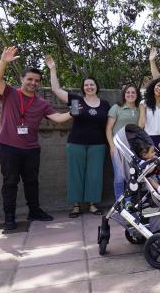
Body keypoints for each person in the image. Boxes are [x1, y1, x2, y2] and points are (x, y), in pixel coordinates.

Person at [0, 47, 74, 230]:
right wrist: (4, 61)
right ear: (22, 79)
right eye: (29, 79)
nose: (33, 83)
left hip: (31, 149)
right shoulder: (10, 93)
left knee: (31, 182)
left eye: (36, 81)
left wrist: (73, 112)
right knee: (10, 182)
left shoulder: (42, 103)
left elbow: (59, 119)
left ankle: (34, 211)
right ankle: (9, 218)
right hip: (8, 147)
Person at [46, 56, 110, 218]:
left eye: (92, 84)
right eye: (86, 85)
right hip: (76, 143)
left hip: (98, 144)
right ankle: (76, 205)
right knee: (76, 174)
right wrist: (53, 69)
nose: (89, 87)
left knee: (95, 175)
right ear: (83, 88)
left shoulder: (104, 104)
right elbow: (56, 90)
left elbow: (109, 125)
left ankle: (92, 204)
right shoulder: (76, 100)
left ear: (97, 87)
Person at [106, 84, 142, 200]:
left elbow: (141, 126)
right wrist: (112, 147)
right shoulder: (116, 108)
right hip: (118, 148)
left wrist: (142, 109)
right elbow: (108, 129)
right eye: (128, 92)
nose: (130, 94)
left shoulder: (138, 110)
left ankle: (128, 203)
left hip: (132, 149)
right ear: (124, 94)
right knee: (119, 177)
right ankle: (118, 204)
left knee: (131, 177)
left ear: (137, 95)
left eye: (133, 92)